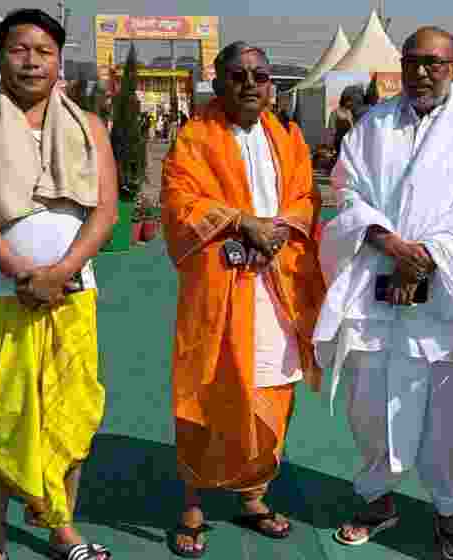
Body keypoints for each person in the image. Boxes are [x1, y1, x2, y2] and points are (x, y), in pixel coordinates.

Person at [314, 26, 453, 560]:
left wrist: (424, 257)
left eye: (436, 64)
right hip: (376, 285)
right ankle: (377, 501)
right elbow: (346, 189)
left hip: (446, 301)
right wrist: (388, 242)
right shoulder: (373, 126)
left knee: (450, 414)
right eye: (414, 61)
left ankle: (448, 510)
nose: (423, 73)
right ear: (401, 64)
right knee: (371, 402)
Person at [0, 8, 117, 560]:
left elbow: (106, 212)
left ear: (59, 61)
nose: (31, 61)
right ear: (0, 58)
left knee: (72, 415)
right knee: (4, 420)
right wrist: (23, 274)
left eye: (43, 51)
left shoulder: (88, 124)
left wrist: (61, 273)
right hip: (1, 294)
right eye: (19, 49)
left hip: (72, 294)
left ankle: (63, 531)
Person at [160, 41, 327, 558]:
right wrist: (240, 222)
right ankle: (192, 505)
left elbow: (305, 197)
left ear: (272, 83)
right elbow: (180, 202)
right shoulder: (194, 139)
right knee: (209, 389)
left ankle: (253, 496)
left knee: (273, 391)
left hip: (277, 289)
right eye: (238, 75)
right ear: (218, 81)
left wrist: (278, 230)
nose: (250, 84)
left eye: (260, 75)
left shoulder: (288, 137)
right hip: (220, 292)